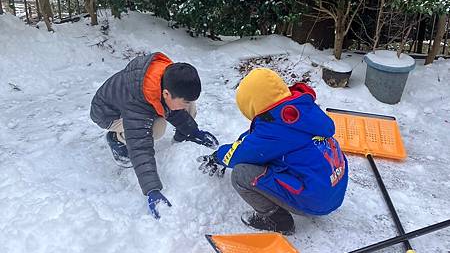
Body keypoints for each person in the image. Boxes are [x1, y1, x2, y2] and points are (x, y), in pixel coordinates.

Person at [198, 68, 348, 235]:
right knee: (270, 156)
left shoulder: (275, 132)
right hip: (333, 189)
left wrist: (217, 157)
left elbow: (240, 154)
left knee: (241, 174)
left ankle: (278, 221)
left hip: (316, 201)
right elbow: (258, 139)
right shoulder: (296, 112)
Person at [90, 52, 218, 218]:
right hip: (109, 114)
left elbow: (168, 107)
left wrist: (194, 132)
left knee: (188, 106)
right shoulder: (136, 104)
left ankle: (183, 130)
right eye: (182, 101)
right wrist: (152, 189)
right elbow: (140, 147)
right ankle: (117, 138)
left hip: (146, 101)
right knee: (157, 128)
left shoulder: (168, 80)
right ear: (165, 94)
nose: (186, 104)